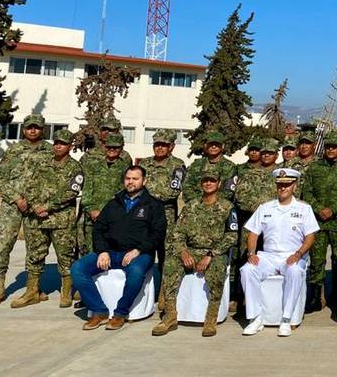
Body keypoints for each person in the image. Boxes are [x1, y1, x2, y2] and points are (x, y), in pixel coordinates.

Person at [71, 165, 167, 331]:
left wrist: (138, 250)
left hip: (139, 254)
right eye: (128, 178)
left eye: (135, 179)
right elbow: (99, 229)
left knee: (136, 273)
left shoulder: (154, 205)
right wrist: (102, 251)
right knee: (78, 268)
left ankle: (120, 313)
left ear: (144, 181)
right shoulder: (113, 203)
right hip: (111, 252)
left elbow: (158, 234)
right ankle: (99, 311)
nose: (130, 182)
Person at [152, 165, 239, 337]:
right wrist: (183, 252)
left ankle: (210, 319)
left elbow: (232, 235)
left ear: (219, 183)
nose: (208, 183)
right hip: (190, 250)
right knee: (169, 264)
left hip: (213, 253)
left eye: (212, 180)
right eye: (205, 180)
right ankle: (170, 316)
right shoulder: (190, 206)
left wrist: (210, 255)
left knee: (216, 271)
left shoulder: (227, 207)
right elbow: (178, 232)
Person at [240, 168, 319, 337]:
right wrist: (251, 253)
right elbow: (253, 233)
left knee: (296, 271)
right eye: (280, 185)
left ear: (294, 187)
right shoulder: (265, 207)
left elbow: (310, 237)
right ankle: (255, 318)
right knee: (247, 270)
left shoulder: (304, 209)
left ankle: (286, 319)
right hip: (268, 255)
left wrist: (298, 254)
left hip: (292, 254)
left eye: (287, 185)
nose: (283, 188)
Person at [12, 130, 83, 309]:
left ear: (70, 147)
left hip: (61, 221)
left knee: (65, 257)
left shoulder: (74, 168)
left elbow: (71, 191)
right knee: (34, 256)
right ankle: (32, 292)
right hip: (37, 219)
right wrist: (36, 206)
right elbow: (28, 185)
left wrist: (48, 207)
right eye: (57, 142)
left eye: (63, 143)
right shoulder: (40, 162)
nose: (59, 146)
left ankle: (66, 292)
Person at [0, 113, 50, 305]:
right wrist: (16, 198)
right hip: (11, 208)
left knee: (36, 248)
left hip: (35, 208)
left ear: (42, 129)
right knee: (3, 245)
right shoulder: (13, 151)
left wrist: (39, 203)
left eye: (37, 127)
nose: (33, 130)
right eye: (30, 127)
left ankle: (34, 288)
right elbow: (1, 181)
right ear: (24, 129)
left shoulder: (49, 151)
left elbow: (54, 180)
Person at [301, 132, 337, 314]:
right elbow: (307, 192)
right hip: (317, 222)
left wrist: (332, 209)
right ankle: (316, 297)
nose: (331, 149)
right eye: (328, 146)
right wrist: (319, 209)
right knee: (317, 261)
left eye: (334, 147)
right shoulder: (314, 168)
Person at [138, 128, 185, 315]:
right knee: (143, 253)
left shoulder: (178, 166)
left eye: (163, 145)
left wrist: (147, 196)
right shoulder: (145, 164)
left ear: (172, 146)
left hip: (166, 217)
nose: (159, 148)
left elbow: (173, 192)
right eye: (157, 144)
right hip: (144, 217)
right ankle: (142, 293)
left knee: (167, 258)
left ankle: (165, 295)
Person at [79, 132, 132, 253]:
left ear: (121, 148)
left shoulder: (126, 169)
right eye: (109, 147)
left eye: (116, 147)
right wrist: (91, 209)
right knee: (92, 253)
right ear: (104, 147)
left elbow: (127, 194)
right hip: (93, 217)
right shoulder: (93, 166)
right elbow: (87, 190)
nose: (112, 150)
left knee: (113, 254)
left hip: (115, 219)